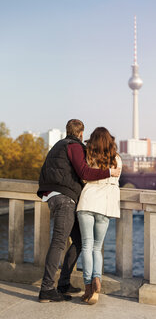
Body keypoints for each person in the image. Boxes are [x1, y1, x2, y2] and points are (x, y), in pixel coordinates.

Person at [37, 119, 121, 303]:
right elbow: (84, 173)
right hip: (65, 199)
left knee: (80, 241)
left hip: (53, 194)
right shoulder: (74, 146)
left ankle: (64, 283)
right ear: (81, 134)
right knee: (59, 242)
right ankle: (47, 289)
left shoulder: (57, 146)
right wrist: (107, 172)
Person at [76, 127, 122, 305]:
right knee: (97, 247)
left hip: (87, 202)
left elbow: (85, 178)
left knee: (86, 246)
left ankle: (88, 285)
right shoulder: (117, 159)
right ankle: (97, 280)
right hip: (104, 206)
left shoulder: (89, 156)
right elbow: (115, 181)